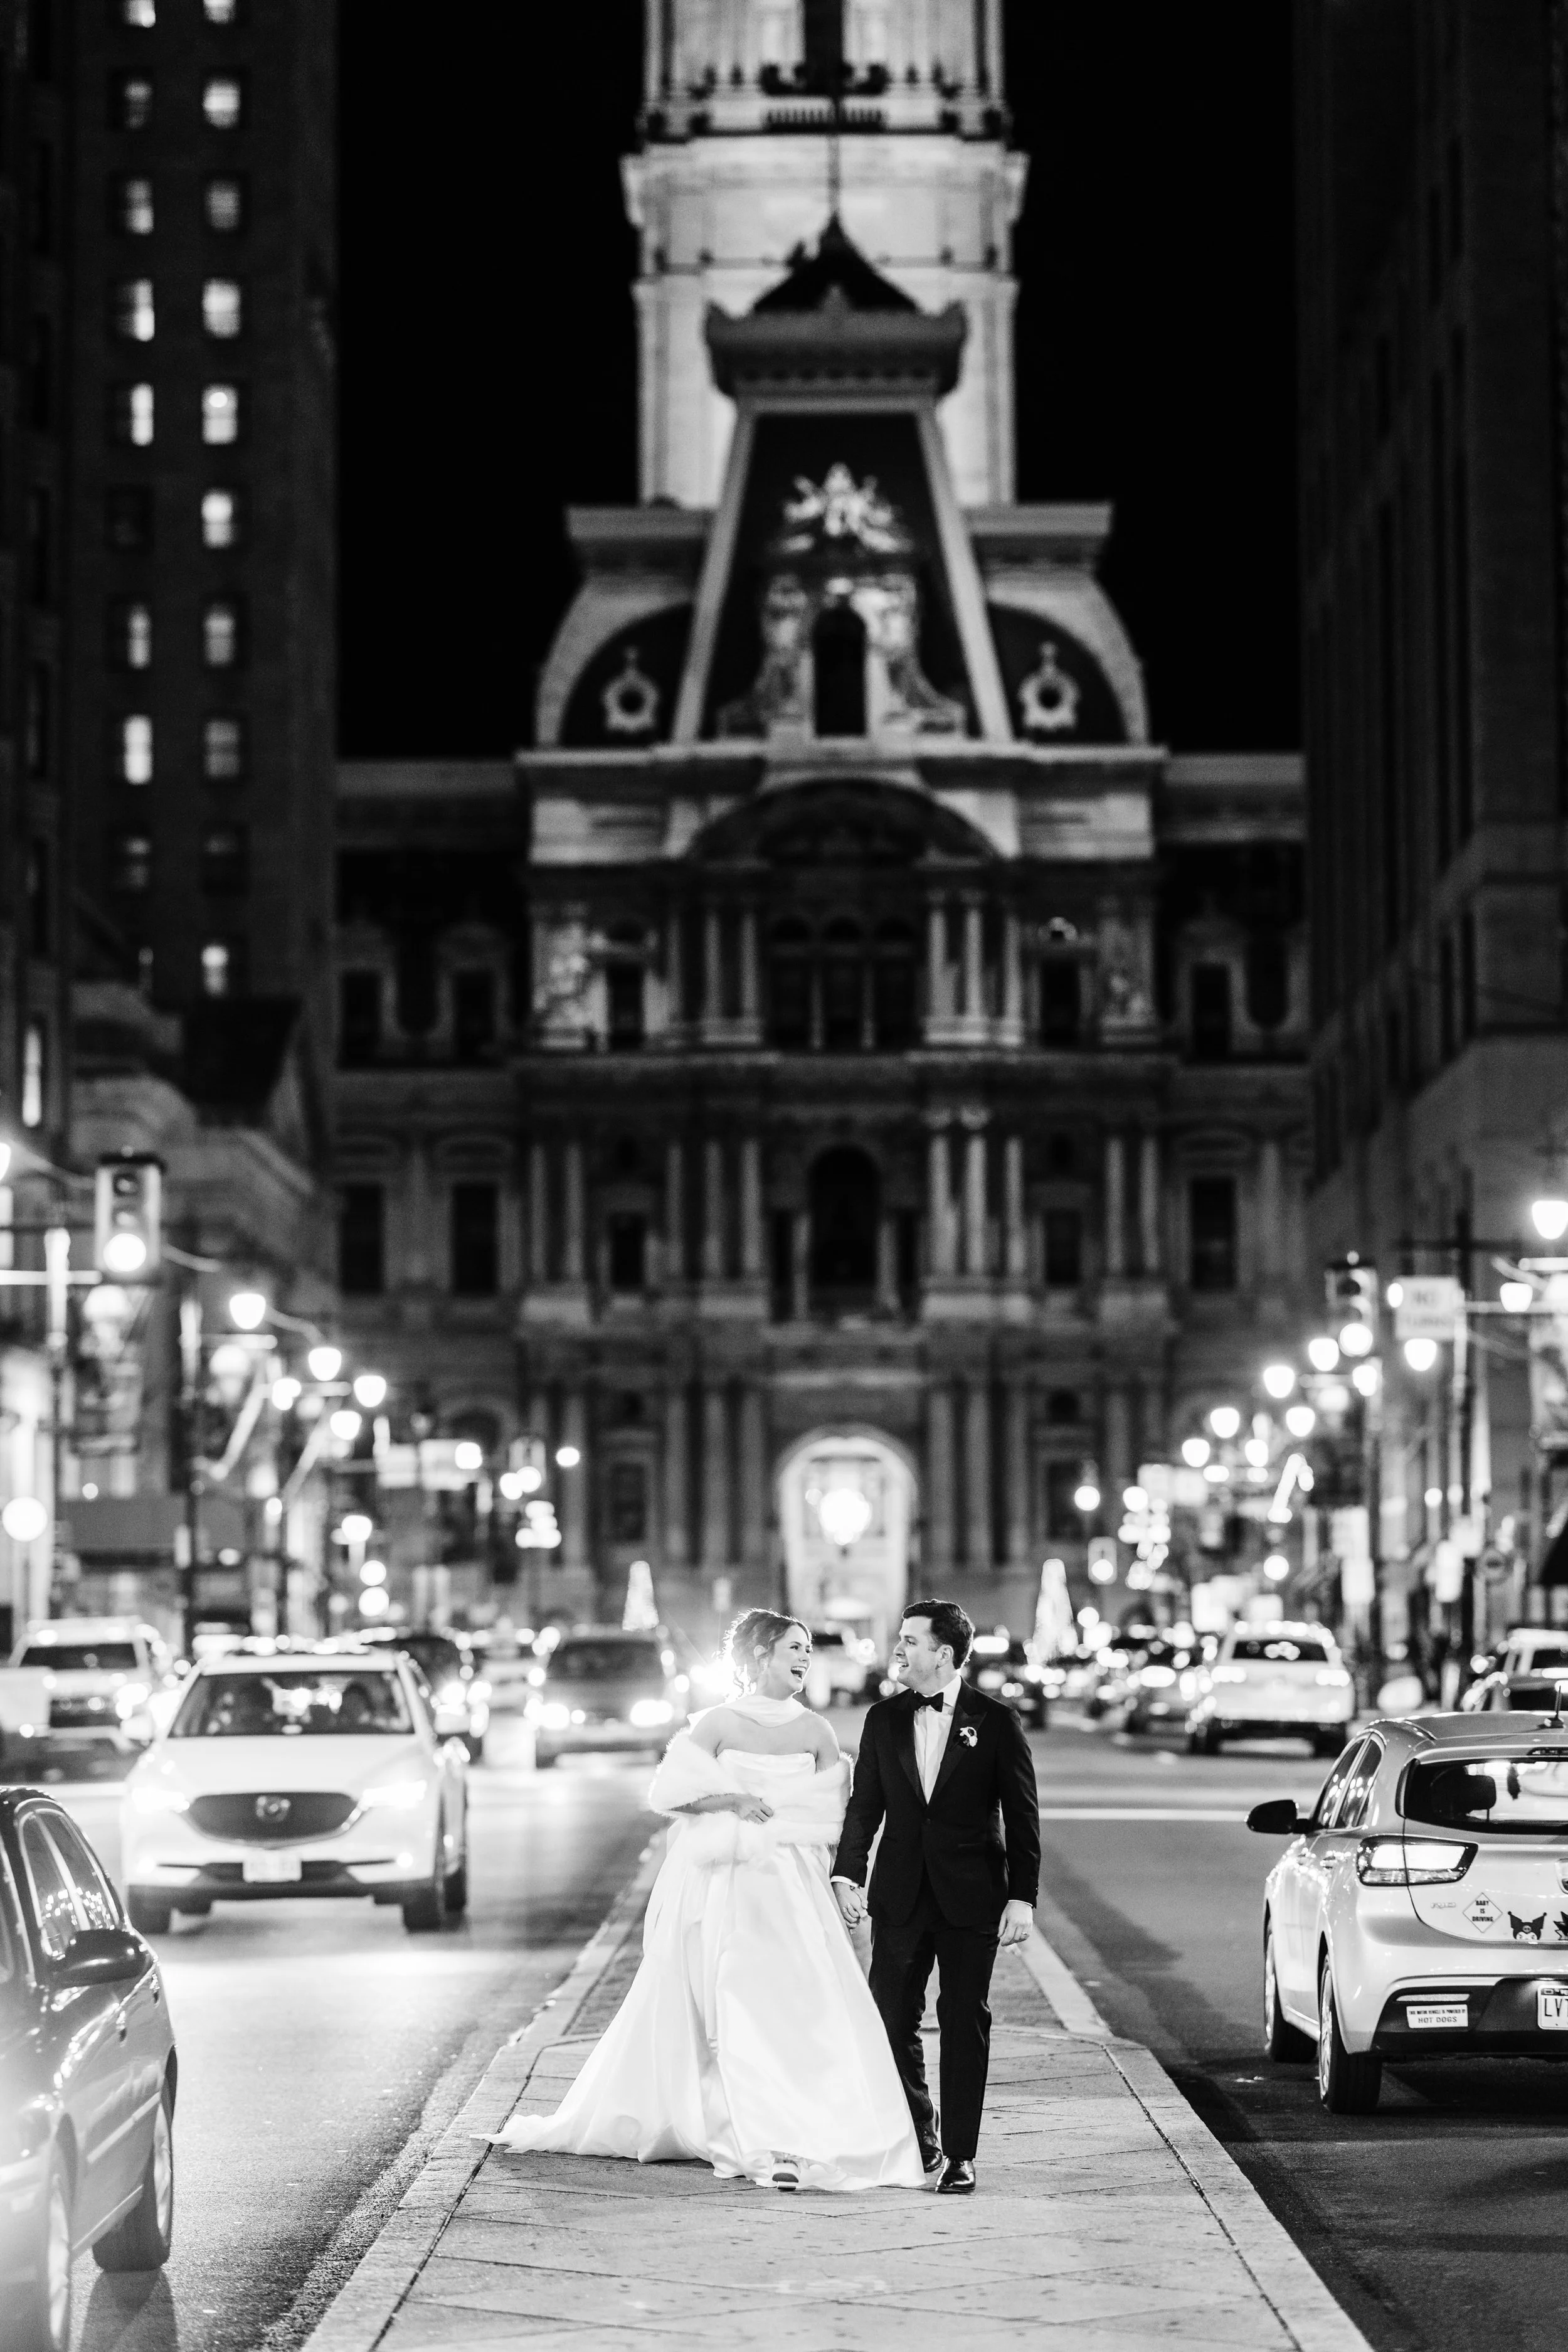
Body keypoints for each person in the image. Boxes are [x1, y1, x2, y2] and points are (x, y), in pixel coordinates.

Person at [489, 1609, 925, 2195]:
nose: (803, 1659)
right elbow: (670, 1793)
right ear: (760, 1656)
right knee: (734, 1998)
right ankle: (759, 2137)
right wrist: (731, 1799)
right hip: (728, 1885)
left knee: (803, 2004)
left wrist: (847, 1883)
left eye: (806, 1650)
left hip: (797, 1890)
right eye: (792, 1648)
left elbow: (838, 1821)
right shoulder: (718, 1723)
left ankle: (804, 2124)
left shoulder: (817, 1732)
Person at [832, 1598, 1041, 2197]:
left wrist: (1022, 1898)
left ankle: (961, 2154)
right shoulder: (883, 1718)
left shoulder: (996, 1722)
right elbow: (865, 1806)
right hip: (900, 1894)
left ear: (943, 1653)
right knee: (890, 2017)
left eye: (909, 1640)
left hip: (973, 1896)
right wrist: (848, 1875)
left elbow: (1023, 1817)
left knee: (962, 2019)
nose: (897, 1649)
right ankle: (921, 2131)